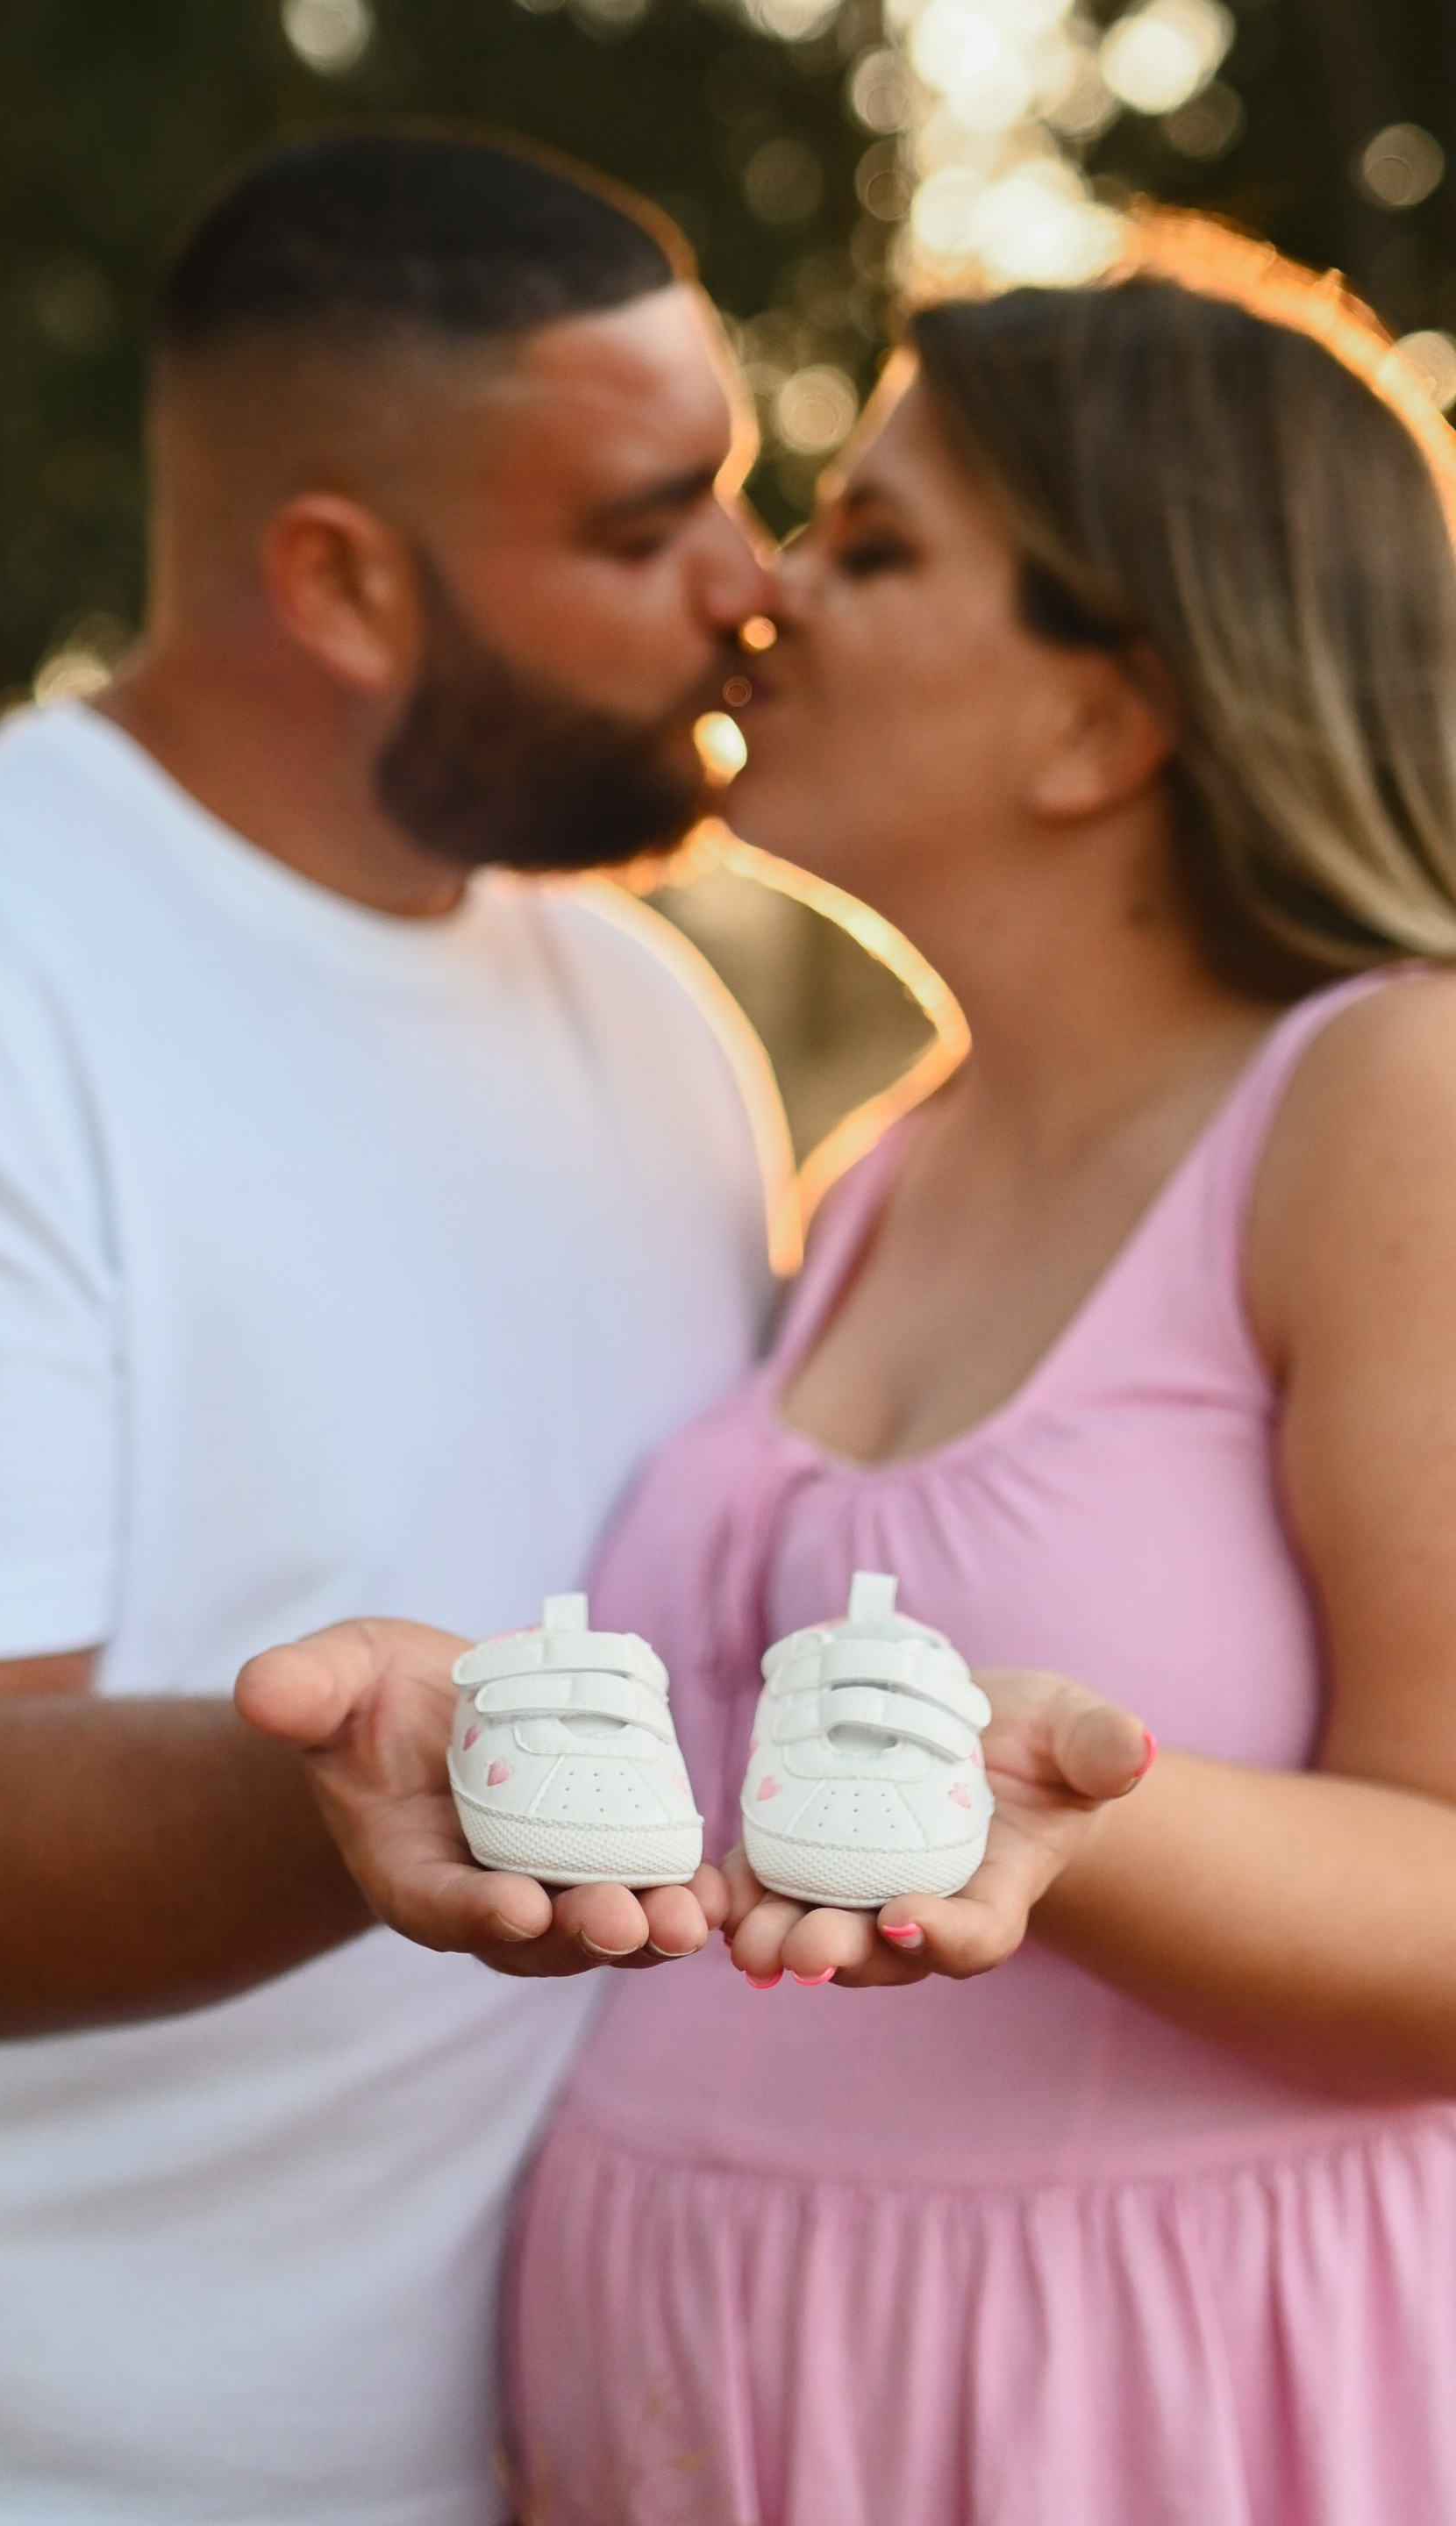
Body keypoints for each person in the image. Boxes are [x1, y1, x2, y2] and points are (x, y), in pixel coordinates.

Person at [245, 227, 1456, 2522]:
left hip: (1130, 2414)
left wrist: (1081, 1823)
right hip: (716, 2408)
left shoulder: (1394, 1103)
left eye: (873, 548)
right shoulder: (891, 1162)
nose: (761, 592)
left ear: (1107, 719)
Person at [0, 129, 781, 2526]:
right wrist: (343, 1788)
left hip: (527, 2457)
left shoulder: (655, 1019)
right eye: (645, 529)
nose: (754, 589)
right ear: (336, 577)